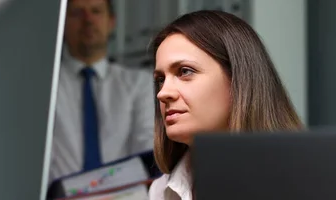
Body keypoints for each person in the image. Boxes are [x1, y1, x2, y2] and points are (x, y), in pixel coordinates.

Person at [148, 10, 303, 200]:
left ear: (239, 79)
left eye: (185, 71)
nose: (163, 93)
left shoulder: (302, 181)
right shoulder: (162, 191)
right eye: (161, 79)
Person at [50, 0, 154, 181]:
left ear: (111, 22)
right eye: (77, 13)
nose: (88, 20)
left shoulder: (138, 84)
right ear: (62, 23)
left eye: (96, 11)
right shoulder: (46, 86)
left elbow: (147, 151)